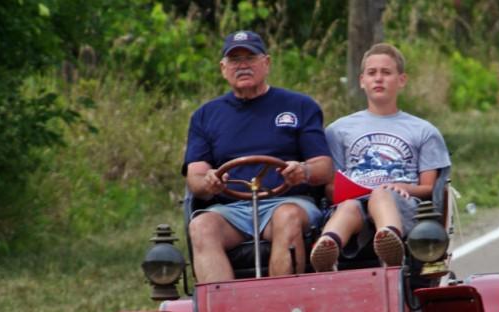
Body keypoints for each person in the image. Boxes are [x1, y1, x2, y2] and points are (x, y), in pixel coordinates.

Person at [183, 30, 334, 282]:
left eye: (250, 58)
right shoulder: (205, 115)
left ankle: (281, 303)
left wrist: (303, 171)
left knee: (287, 216)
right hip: (231, 210)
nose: (242, 65)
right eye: (234, 60)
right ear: (223, 68)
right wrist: (207, 181)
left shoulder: (300, 106)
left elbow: (324, 167)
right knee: (201, 226)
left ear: (266, 63)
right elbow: (195, 177)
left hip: (289, 202)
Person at [310, 43, 451, 272]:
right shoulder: (338, 130)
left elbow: (429, 187)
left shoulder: (423, 130)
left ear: (401, 80)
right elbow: (330, 186)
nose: (378, 79)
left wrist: (400, 187)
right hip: (354, 201)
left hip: (400, 202)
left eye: (386, 73)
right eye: (372, 73)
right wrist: (345, 191)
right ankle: (328, 247)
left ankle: (390, 244)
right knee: (348, 207)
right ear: (361, 80)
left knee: (381, 195)